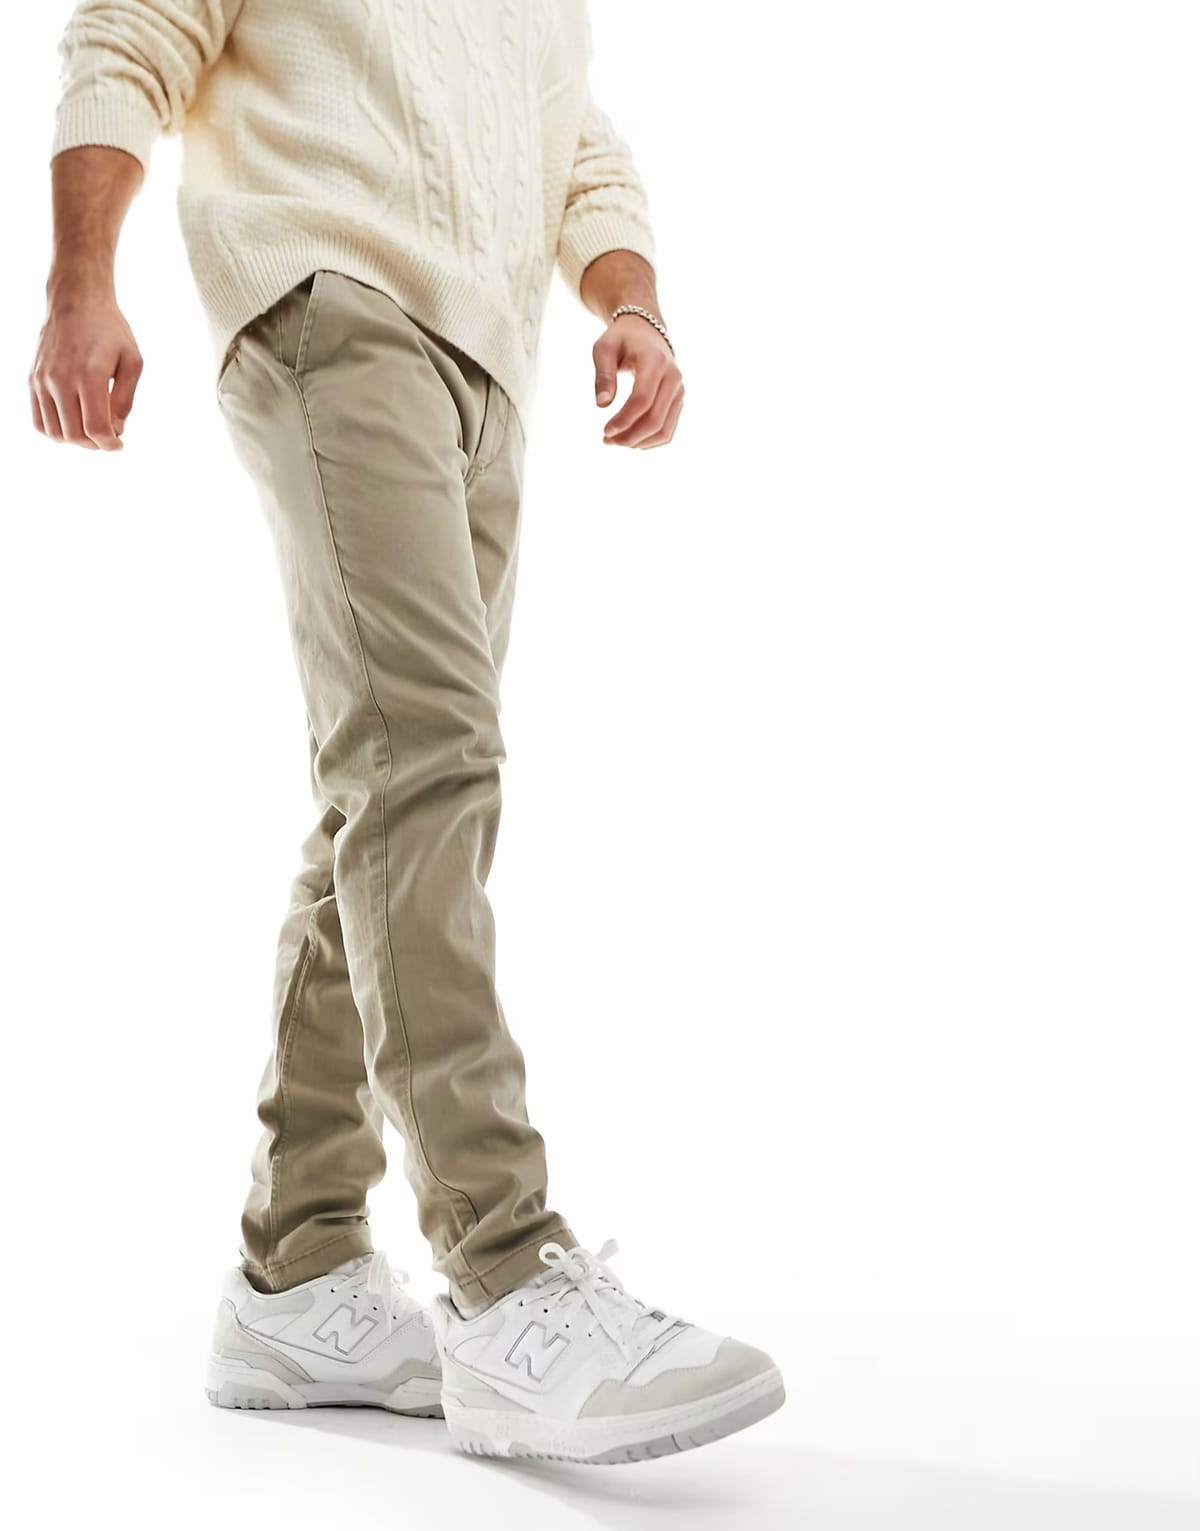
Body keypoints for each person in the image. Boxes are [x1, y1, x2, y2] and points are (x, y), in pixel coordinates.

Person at [34, 0, 784, 1464]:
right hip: (333, 297)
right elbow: (126, 37)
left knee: (384, 791)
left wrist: (631, 303)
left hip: (488, 369)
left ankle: (298, 1266)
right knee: (427, 764)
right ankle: (503, 1271)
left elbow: (576, 145)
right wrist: (80, 284)